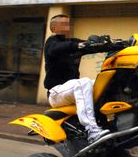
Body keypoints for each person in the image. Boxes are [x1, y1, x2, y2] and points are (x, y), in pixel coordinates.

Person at [44, 14, 109, 143]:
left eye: (68, 24)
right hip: (56, 93)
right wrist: (80, 45)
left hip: (70, 92)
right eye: (63, 24)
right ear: (53, 29)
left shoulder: (73, 43)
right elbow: (57, 49)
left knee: (103, 82)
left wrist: (118, 44)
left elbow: (91, 45)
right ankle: (92, 130)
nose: (67, 27)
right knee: (83, 83)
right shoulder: (52, 43)